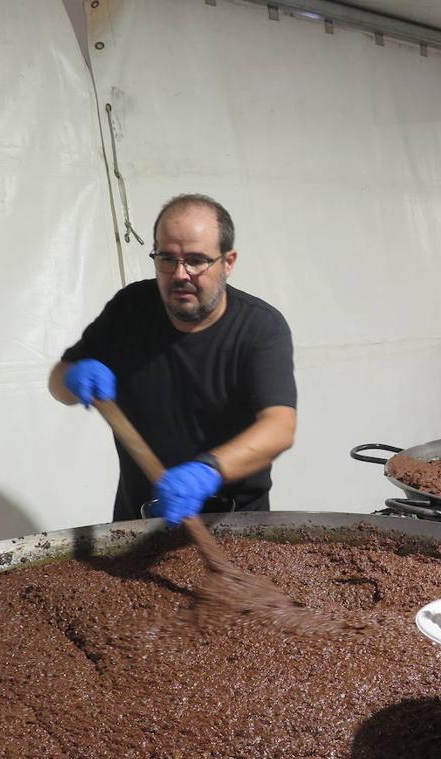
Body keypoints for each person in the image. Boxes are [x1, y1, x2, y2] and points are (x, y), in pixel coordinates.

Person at [49, 194, 297, 526]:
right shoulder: (129, 309)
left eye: (196, 260)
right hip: (139, 521)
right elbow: (58, 381)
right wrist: (71, 377)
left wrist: (208, 470)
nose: (180, 274)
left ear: (228, 261)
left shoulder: (259, 328)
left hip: (236, 524)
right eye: (167, 258)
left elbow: (279, 428)